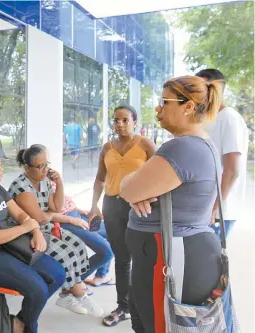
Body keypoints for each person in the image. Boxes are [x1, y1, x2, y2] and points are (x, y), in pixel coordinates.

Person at [120, 76, 223, 333]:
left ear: (188, 107)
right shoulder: (199, 144)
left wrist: (136, 188)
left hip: (171, 256)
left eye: (164, 102)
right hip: (174, 253)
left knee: (159, 326)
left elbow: (126, 188)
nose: (158, 109)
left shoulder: (182, 148)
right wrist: (140, 188)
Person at [0, 149, 65, 333]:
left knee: (58, 274)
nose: (1, 170)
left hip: (9, 247)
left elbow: (21, 214)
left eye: (0, 165)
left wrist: (36, 230)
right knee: (38, 289)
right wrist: (24, 228)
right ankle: (28, 329)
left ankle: (18, 323)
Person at [9, 144, 103, 316]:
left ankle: (72, 291)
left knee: (79, 246)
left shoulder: (44, 181)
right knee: (67, 253)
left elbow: (56, 208)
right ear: (27, 168)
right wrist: (49, 214)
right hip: (27, 235)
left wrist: (59, 183)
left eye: (47, 164)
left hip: (46, 228)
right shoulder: (21, 187)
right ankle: (73, 293)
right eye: (40, 166)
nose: (45, 170)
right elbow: (40, 218)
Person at [88, 104, 156, 327]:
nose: (120, 124)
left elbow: (160, 176)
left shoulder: (146, 145)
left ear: (135, 122)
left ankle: (144, 306)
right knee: (122, 259)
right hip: (112, 205)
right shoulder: (107, 148)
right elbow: (99, 179)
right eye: (116, 120)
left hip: (138, 207)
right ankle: (123, 307)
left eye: (125, 120)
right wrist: (94, 206)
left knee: (143, 259)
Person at [196, 69, 249, 239]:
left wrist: (214, 208)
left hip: (218, 212)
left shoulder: (229, 118)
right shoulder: (209, 119)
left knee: (211, 262)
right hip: (206, 207)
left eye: (201, 88)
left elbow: (232, 170)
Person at [49, 181, 114, 290]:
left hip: (75, 214)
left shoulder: (48, 178)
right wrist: (72, 219)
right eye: (42, 165)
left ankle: (101, 276)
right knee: (107, 252)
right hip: (65, 220)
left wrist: (79, 210)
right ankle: (74, 283)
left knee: (112, 233)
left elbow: (65, 201)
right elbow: (43, 214)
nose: (46, 167)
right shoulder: (34, 186)